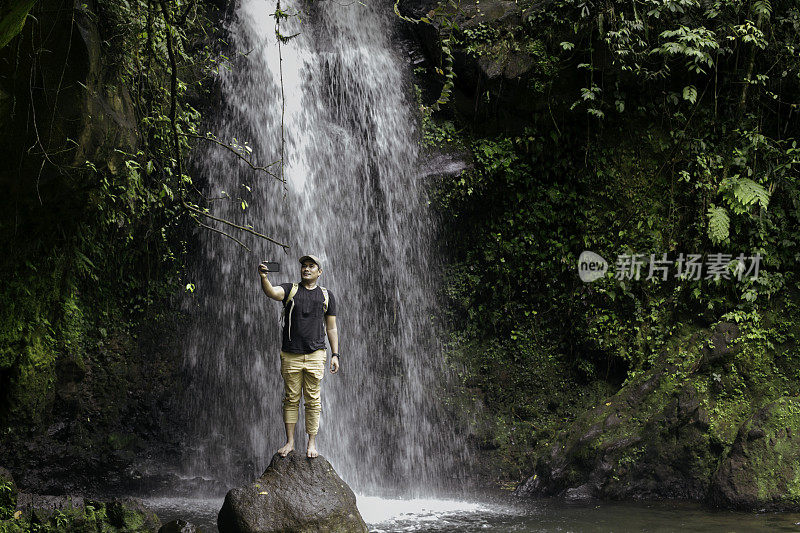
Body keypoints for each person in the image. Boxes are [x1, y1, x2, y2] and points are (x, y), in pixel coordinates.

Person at [258, 254, 339, 458]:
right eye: (304, 266)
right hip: (291, 354)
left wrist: (335, 354)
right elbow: (272, 293)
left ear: (319, 272)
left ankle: (311, 443)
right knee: (291, 399)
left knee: (313, 400)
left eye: (312, 266)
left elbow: (331, 328)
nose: (307, 269)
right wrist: (264, 278)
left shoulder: (326, 295)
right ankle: (290, 442)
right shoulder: (290, 289)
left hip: (316, 354)